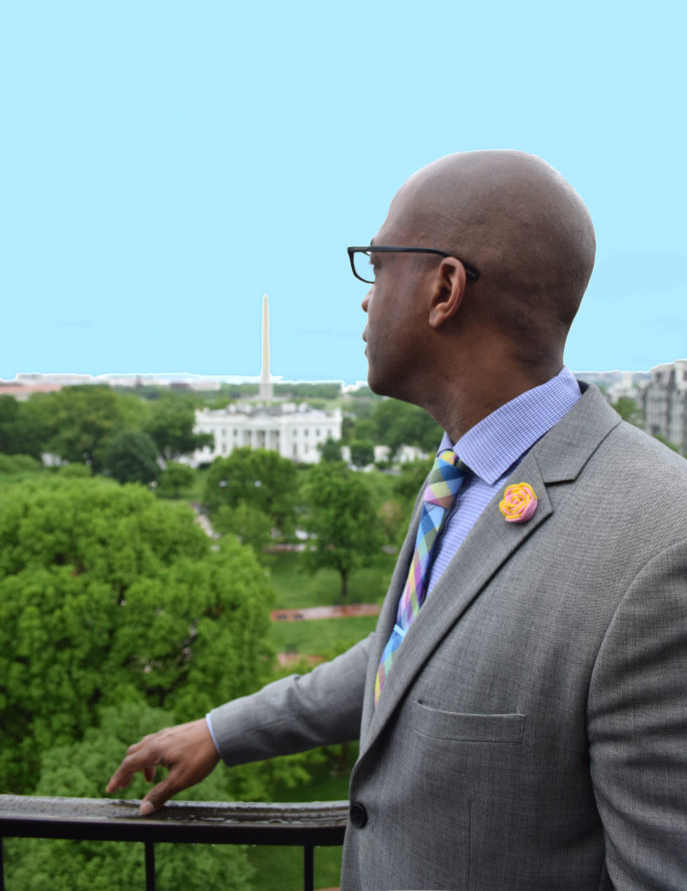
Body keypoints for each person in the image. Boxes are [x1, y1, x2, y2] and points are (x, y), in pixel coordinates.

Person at [107, 151, 687, 890]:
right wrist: (224, 732)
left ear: (443, 288)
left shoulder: (661, 547)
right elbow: (409, 654)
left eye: (376, 265)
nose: (363, 299)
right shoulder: (466, 472)